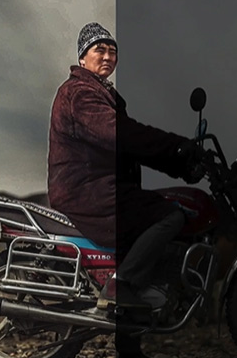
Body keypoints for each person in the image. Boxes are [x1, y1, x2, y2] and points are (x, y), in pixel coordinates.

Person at [48, 22, 198, 358]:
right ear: (82, 58)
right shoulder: (80, 94)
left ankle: (129, 347)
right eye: (99, 49)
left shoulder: (105, 95)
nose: (107, 55)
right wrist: (175, 146)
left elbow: (130, 147)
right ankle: (121, 286)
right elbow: (122, 135)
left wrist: (182, 163)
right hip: (86, 191)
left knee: (142, 248)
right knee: (168, 216)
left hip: (101, 188)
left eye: (112, 50)